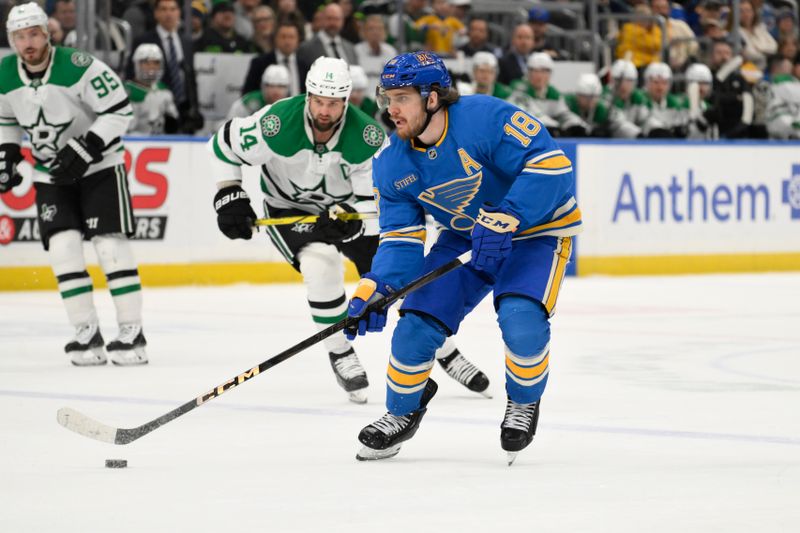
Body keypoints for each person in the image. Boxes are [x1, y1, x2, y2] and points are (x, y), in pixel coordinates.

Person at [207, 57, 490, 403]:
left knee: (396, 280)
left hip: (348, 212)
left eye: (334, 103)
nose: (325, 111)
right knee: (320, 264)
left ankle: (445, 350)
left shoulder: (367, 137)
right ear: (308, 95)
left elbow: (375, 206)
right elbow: (222, 144)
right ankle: (340, 350)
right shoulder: (276, 123)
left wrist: (350, 220)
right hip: (288, 209)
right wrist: (229, 192)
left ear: (346, 100)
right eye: (318, 101)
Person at [346, 51, 581, 463]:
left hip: (536, 233)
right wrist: (376, 285)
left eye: (401, 97)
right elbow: (401, 240)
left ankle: (524, 401)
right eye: (387, 98)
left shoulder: (484, 118)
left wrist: (510, 215)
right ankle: (402, 412)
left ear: (432, 97)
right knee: (415, 327)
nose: (391, 109)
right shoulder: (390, 163)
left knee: (521, 320)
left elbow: (552, 166)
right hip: (465, 239)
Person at [0, 3, 147, 366]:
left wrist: (89, 146)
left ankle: (132, 333)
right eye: (20, 37)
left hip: (100, 168)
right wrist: (8, 152)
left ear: (47, 34)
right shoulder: (4, 73)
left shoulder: (79, 65)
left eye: (34, 34)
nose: (28, 43)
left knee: (110, 246)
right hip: (51, 173)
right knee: (63, 249)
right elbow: (6, 119)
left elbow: (120, 109)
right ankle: (86, 334)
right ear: (11, 40)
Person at [128, 0, 204, 134]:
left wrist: (194, 108)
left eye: (173, 9)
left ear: (179, 12)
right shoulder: (143, 40)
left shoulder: (186, 42)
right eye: (163, 9)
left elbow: (190, 78)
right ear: (156, 13)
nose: (169, 14)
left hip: (183, 111)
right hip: (154, 108)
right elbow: (131, 74)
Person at [126, 43, 179, 135]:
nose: (152, 67)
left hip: (160, 141)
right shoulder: (127, 92)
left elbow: (173, 124)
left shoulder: (164, 91)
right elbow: (125, 130)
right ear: (137, 64)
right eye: (146, 63)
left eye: (156, 63)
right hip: (134, 143)